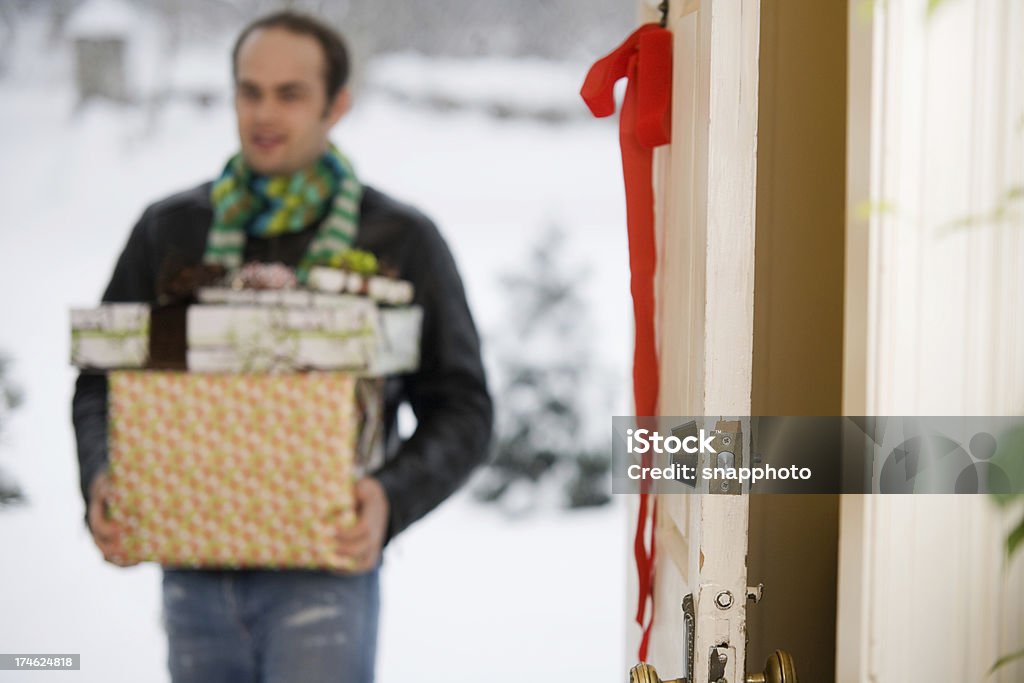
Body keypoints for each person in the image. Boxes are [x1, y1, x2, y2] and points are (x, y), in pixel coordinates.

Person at [71, 10, 492, 682]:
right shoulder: (169, 228)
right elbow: (100, 376)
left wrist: (389, 498)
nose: (264, 112)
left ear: (337, 105)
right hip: (190, 569)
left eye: (290, 94)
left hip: (324, 576)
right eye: (250, 91)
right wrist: (99, 474)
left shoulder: (401, 239)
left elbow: (465, 409)